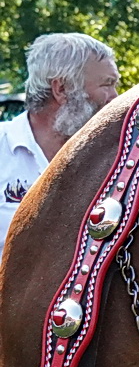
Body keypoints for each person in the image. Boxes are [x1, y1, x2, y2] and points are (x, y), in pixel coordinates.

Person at [1, 33, 120, 248]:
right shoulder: (3, 147)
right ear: (61, 89)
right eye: (107, 84)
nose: (115, 97)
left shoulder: (113, 159)